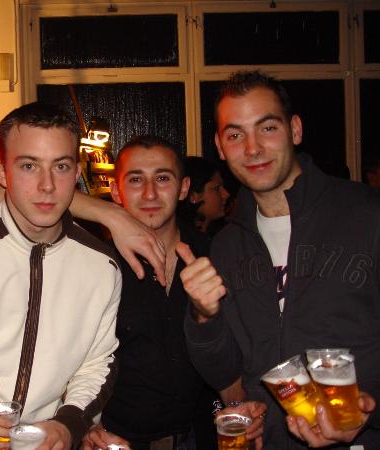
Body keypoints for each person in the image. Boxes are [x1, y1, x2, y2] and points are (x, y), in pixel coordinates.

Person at [179, 70, 380, 449]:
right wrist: (203, 317)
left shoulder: (367, 214)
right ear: (220, 147)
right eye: (235, 135)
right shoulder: (227, 245)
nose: (252, 148)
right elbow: (225, 369)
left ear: (295, 130)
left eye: (267, 128)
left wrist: (372, 408)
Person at [0, 102, 122, 450]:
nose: (47, 186)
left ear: (77, 172)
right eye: (29, 166)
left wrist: (68, 425)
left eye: (61, 166)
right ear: (1, 173)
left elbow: (97, 364)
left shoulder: (102, 265)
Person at [81, 136, 265, 450]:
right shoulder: (96, 265)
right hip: (117, 440)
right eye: (136, 179)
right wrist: (84, 423)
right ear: (116, 191)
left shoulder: (215, 255)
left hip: (204, 438)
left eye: (163, 178)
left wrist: (243, 405)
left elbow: (241, 348)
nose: (150, 193)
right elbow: (69, 359)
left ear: (183, 188)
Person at [179, 156, 229, 236]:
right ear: (193, 196)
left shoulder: (224, 234)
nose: (226, 194)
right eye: (216, 188)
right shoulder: (182, 238)